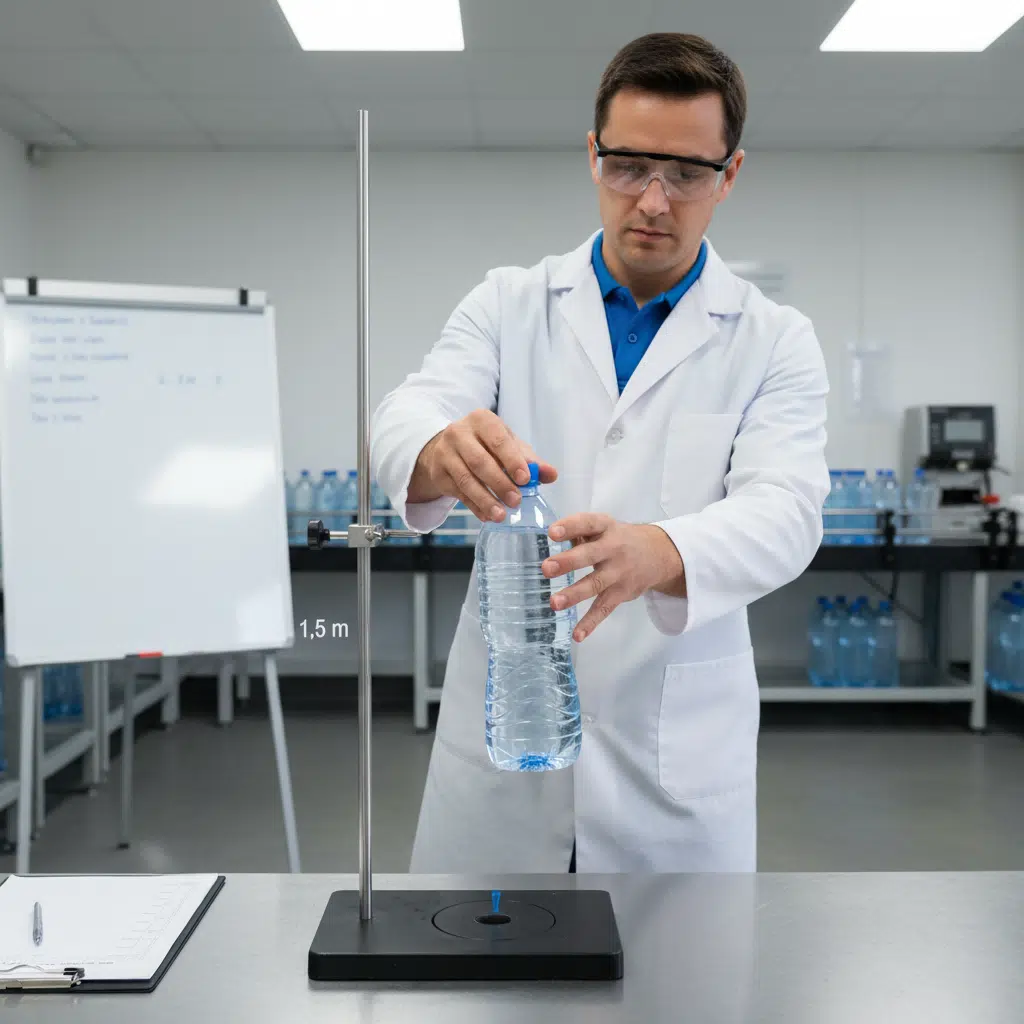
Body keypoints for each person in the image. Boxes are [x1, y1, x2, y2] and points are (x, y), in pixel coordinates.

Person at [371, 32, 829, 873]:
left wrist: (662, 550)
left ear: (729, 176)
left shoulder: (775, 340)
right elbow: (412, 406)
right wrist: (437, 445)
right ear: (592, 156)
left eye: (687, 173)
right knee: (479, 992)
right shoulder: (510, 302)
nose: (653, 200)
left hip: (674, 764)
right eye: (628, 166)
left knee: (678, 995)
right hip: (504, 757)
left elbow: (790, 510)